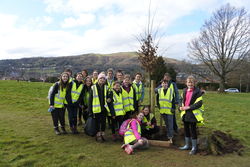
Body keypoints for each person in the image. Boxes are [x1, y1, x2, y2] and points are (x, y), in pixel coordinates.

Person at [179, 75, 204, 155]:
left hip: (192, 114)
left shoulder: (198, 92)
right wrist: (180, 106)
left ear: (194, 83)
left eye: (191, 82)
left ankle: (194, 148)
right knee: (186, 129)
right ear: (186, 83)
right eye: (188, 82)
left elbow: (199, 104)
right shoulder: (184, 90)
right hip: (185, 113)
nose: (190, 84)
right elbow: (180, 99)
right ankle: (187, 145)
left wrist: (188, 107)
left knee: (193, 130)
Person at [88, 73, 110, 142]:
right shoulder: (93, 87)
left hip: (104, 108)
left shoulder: (106, 87)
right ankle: (98, 135)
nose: (102, 80)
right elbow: (90, 100)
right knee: (97, 122)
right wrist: (90, 111)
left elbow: (110, 96)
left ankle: (103, 133)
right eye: (101, 78)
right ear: (98, 79)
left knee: (103, 122)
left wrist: (110, 99)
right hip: (96, 109)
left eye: (103, 78)